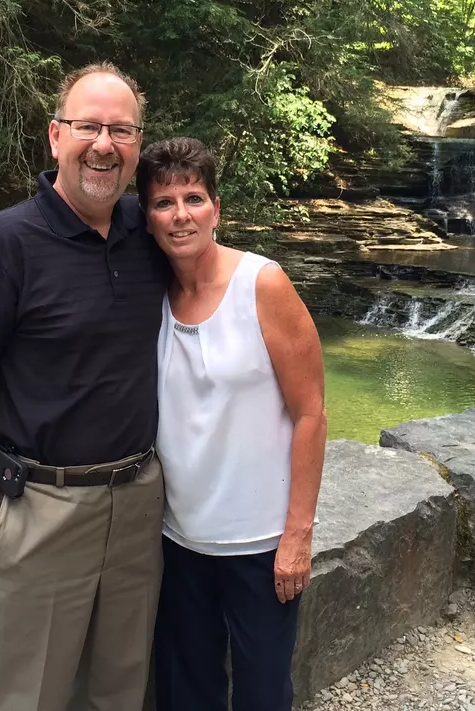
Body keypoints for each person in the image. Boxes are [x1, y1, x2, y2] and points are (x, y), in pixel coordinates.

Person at [0, 62, 169, 711]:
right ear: (55, 136)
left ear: (137, 146)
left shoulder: (152, 236)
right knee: (19, 700)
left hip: (138, 507)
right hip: (36, 512)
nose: (104, 144)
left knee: (119, 693)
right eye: (89, 126)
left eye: (120, 130)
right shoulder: (2, 245)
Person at [136, 137, 328, 711]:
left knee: (263, 690)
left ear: (216, 208)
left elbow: (312, 414)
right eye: (163, 202)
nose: (180, 215)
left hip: (260, 542)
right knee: (186, 687)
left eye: (193, 198)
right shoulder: (155, 294)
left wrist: (298, 533)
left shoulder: (262, 284)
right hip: (178, 539)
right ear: (146, 218)